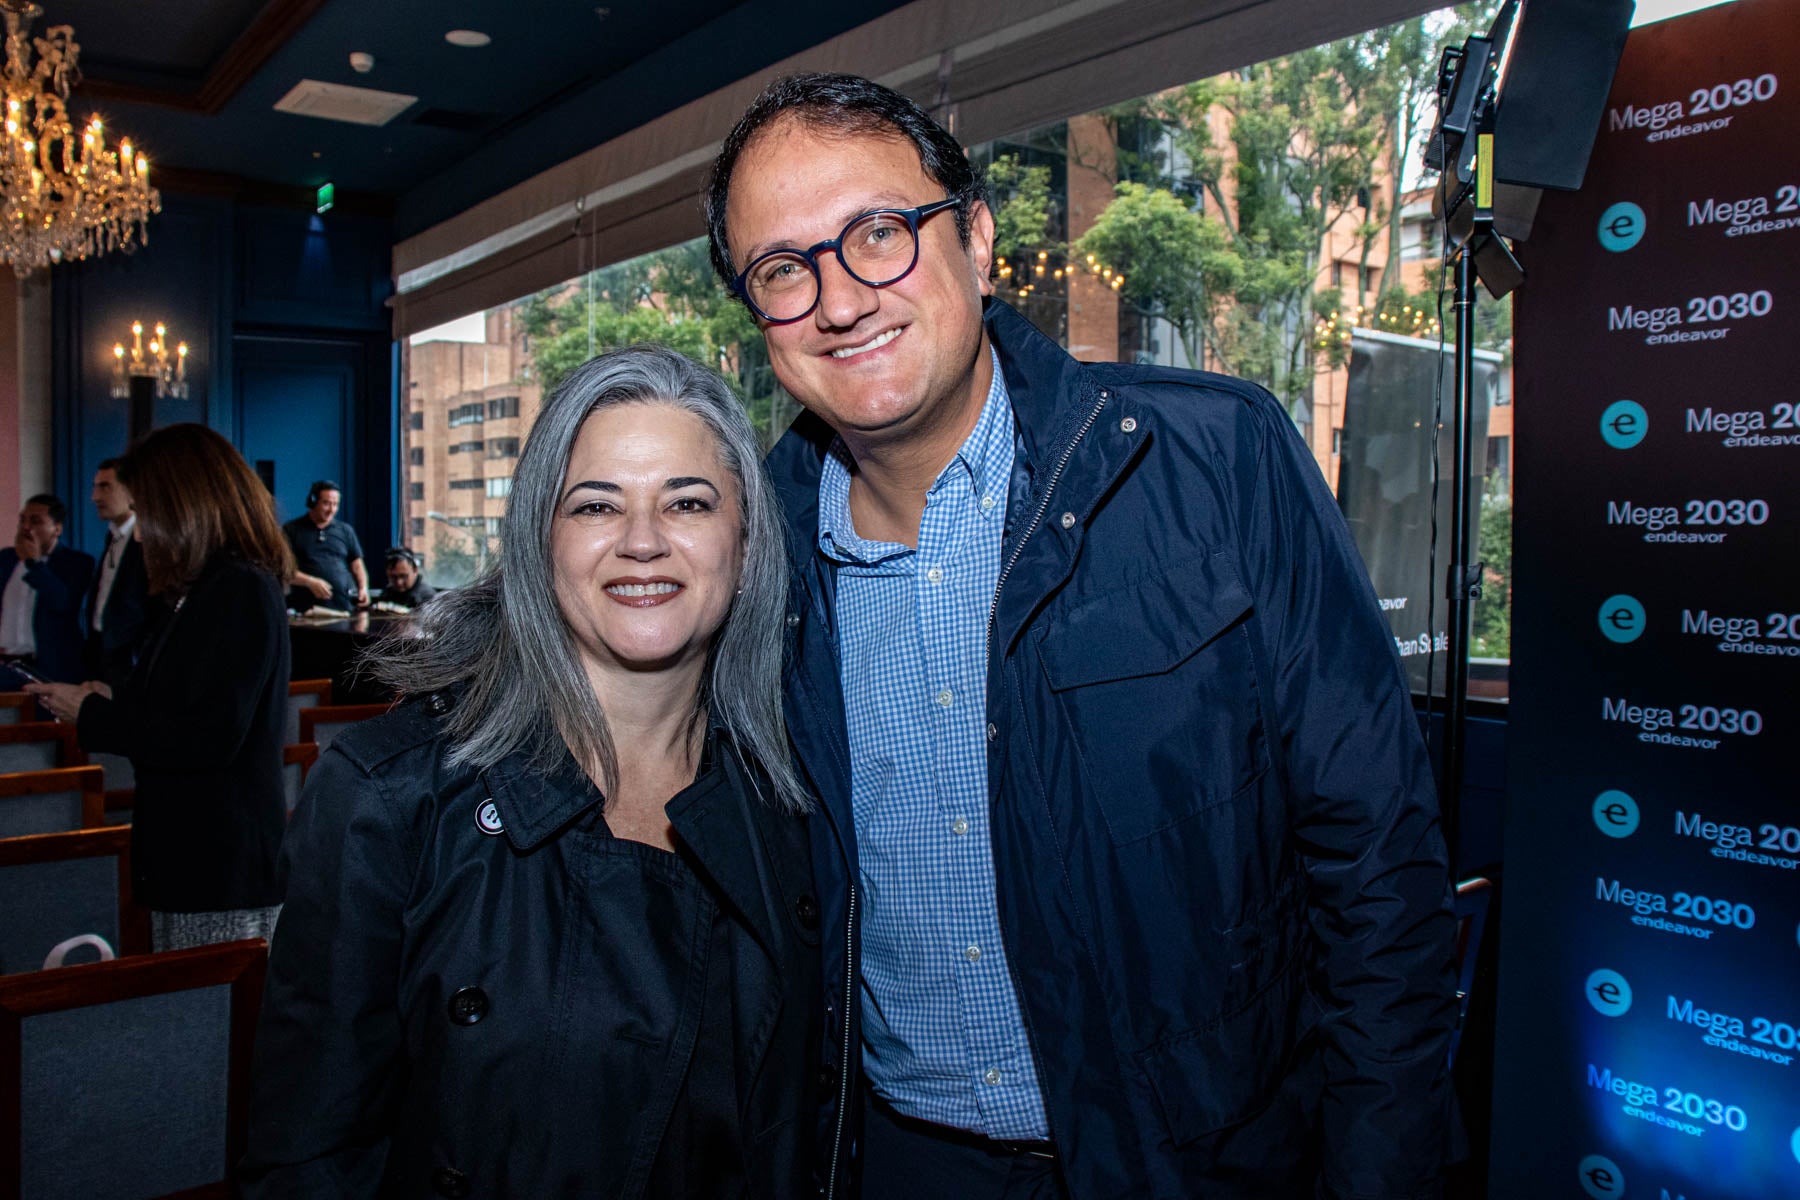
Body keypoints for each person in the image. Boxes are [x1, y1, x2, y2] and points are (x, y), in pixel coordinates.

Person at [706, 74, 1457, 1200]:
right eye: (782, 269)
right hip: (900, 1168)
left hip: (1203, 1164)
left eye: (877, 233)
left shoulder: (1214, 461)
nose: (840, 299)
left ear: (977, 237)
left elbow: (1382, 881)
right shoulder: (755, 563)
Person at [241, 346, 823, 1197]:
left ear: (745, 541)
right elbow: (308, 1161)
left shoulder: (795, 796)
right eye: (595, 505)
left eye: (688, 502)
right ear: (538, 541)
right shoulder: (388, 799)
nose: (643, 542)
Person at [28, 426, 293, 951]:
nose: (143, 534)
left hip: (220, 861)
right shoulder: (201, 588)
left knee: (212, 1030)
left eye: (148, 511)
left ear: (187, 506)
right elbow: (184, 704)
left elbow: (206, 738)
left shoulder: (237, 587)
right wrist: (110, 700)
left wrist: (92, 716)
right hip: (192, 851)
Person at [0, 494, 93, 688]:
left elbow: (62, 603)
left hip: (48, 672)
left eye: (35, 521)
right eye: (22, 520)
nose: (26, 527)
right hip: (5, 669)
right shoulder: (5, 560)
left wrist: (32, 563)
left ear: (56, 529)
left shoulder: (76, 563)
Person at [84, 458, 152, 692]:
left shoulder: (147, 539)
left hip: (128, 658)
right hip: (102, 651)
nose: (95, 497)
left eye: (105, 487)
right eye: (95, 487)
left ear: (132, 491)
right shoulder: (113, 537)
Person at [283, 480, 368, 612]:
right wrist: (310, 582)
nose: (332, 510)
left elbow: (357, 565)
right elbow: (284, 570)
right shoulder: (291, 530)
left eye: (335, 504)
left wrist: (363, 588)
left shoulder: (346, 530)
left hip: (343, 608)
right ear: (313, 501)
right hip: (306, 610)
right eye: (326, 503)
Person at [375, 545, 437, 609]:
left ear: (415, 570)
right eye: (393, 577)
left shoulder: (428, 598)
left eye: (404, 576)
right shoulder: (386, 594)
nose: (399, 582)